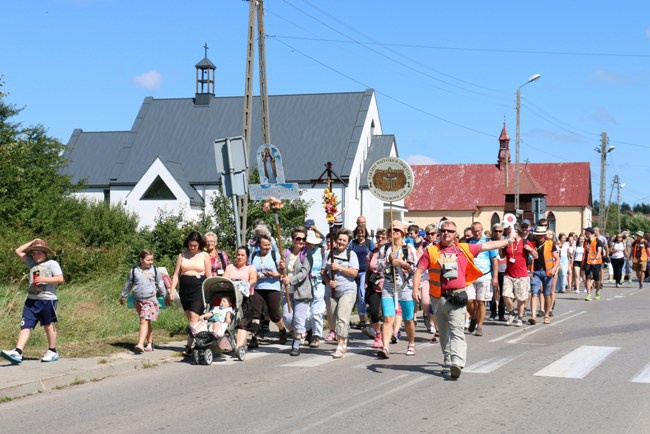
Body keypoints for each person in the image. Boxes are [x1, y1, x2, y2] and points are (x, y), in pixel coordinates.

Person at [412, 220, 511, 380]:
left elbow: (488, 246)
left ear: (455, 234)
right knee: (444, 333)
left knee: (457, 330)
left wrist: (508, 240)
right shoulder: (431, 251)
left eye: (450, 231)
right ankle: (447, 360)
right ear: (439, 233)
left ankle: (456, 363)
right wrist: (415, 288)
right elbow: (419, 270)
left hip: (457, 295)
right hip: (438, 298)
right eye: (443, 230)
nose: (446, 233)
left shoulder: (463, 249)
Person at [2, 239, 64, 364]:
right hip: (31, 300)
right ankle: (18, 352)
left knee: (48, 325)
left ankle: (52, 351)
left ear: (45, 253)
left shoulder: (52, 263)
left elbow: (60, 278)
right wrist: (33, 241)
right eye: (34, 253)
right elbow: (18, 251)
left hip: (47, 300)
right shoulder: (31, 263)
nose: (36, 255)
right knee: (25, 325)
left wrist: (44, 279)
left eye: (39, 252)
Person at [376, 220, 418, 359]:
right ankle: (385, 346)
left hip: (405, 286)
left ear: (402, 233)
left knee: (408, 319)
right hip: (388, 285)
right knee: (388, 317)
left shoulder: (409, 248)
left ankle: (411, 343)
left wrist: (401, 263)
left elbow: (416, 269)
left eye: (396, 230)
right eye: (391, 230)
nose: (393, 232)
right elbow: (378, 267)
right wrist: (389, 259)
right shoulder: (384, 248)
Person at [169, 231, 212, 357]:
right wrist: (172, 289)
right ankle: (199, 340)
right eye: (190, 245)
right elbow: (176, 274)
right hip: (185, 288)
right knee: (190, 318)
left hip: (199, 286)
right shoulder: (182, 255)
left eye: (195, 245)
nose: (192, 248)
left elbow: (209, 274)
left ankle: (188, 346)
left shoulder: (204, 255)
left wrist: (211, 289)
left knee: (194, 316)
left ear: (199, 245)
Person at [120, 249, 167, 353]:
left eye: (152, 260)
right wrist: (123, 296)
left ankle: (140, 344)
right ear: (141, 259)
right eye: (148, 260)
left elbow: (160, 284)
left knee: (143, 321)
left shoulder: (154, 270)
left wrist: (165, 296)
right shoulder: (134, 271)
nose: (151, 262)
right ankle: (150, 343)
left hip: (150, 300)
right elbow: (129, 284)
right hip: (138, 301)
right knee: (146, 322)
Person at [322, 230, 359, 359]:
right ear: (335, 241)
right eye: (339, 240)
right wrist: (328, 282)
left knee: (342, 317)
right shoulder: (328, 254)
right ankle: (343, 336)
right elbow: (323, 272)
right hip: (331, 291)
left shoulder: (351, 254)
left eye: (344, 240)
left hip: (347, 290)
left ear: (348, 243)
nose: (341, 242)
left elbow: (354, 273)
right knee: (332, 320)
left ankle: (340, 344)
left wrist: (340, 268)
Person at [250, 234, 289, 348]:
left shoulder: (274, 255)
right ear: (259, 245)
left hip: (272, 287)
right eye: (265, 245)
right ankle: (254, 336)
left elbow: (282, 273)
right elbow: (250, 269)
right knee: (256, 313)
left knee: (274, 314)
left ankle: (282, 330)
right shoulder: (254, 255)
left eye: (269, 245)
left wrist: (275, 274)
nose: (267, 247)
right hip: (257, 287)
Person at [281, 227, 314, 356]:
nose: (301, 241)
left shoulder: (307, 255)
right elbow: (281, 270)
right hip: (288, 291)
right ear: (293, 240)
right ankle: (303, 331)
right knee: (287, 318)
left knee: (298, 318)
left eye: (303, 239)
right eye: (298, 239)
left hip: (302, 291)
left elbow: (304, 273)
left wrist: (291, 279)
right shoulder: (286, 252)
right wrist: (280, 267)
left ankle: (296, 344)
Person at [501, 224, 538, 327]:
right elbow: (501, 256)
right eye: (507, 232)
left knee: (521, 298)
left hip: (521, 275)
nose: (508, 233)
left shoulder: (525, 242)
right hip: (509, 274)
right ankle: (512, 313)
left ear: (516, 232)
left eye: (509, 231)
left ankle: (520, 318)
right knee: (505, 295)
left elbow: (536, 256)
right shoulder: (507, 242)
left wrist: (529, 249)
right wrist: (501, 247)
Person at [466, 222, 498, 336]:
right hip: (471, 277)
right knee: (468, 300)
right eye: (474, 231)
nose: (477, 233)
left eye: (479, 230)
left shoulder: (488, 242)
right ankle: (473, 317)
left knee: (481, 302)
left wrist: (495, 277)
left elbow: (494, 261)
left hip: (485, 276)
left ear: (482, 229)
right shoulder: (468, 242)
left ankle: (479, 326)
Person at [224, 246, 257, 354]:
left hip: (246, 298)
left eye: (242, 255)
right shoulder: (230, 267)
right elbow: (224, 279)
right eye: (238, 254)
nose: (239, 257)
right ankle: (240, 344)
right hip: (232, 297)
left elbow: (253, 280)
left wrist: (244, 284)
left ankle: (238, 347)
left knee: (243, 323)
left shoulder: (250, 268)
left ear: (247, 257)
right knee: (232, 322)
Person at [363, 228, 388, 348]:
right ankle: (378, 333)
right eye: (378, 237)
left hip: (388, 285)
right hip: (375, 284)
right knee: (373, 312)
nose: (380, 239)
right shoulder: (372, 253)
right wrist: (366, 282)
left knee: (387, 313)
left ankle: (387, 335)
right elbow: (368, 269)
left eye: (383, 237)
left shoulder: (391, 252)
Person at [530, 228, 559, 324]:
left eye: (541, 235)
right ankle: (533, 316)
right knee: (534, 293)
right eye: (538, 235)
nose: (539, 237)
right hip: (535, 272)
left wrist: (554, 269)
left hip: (547, 272)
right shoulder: (532, 244)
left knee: (547, 294)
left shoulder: (550, 244)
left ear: (544, 235)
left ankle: (546, 315)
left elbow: (557, 259)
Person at [304, 229, 326, 348]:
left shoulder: (322, 252)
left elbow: (324, 267)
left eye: (311, 242)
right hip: (306, 283)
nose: (310, 245)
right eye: (308, 242)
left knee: (316, 311)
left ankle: (317, 335)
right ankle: (309, 331)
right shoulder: (303, 252)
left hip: (318, 283)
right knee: (306, 311)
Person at [349, 225, 373, 328]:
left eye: (362, 232)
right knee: (355, 296)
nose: (360, 234)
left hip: (364, 272)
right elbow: (348, 254)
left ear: (365, 233)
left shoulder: (369, 243)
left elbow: (373, 255)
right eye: (359, 232)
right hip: (354, 271)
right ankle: (361, 319)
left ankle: (363, 319)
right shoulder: (353, 244)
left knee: (361, 295)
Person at [489, 223, 507, 322]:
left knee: (503, 292)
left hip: (503, 269)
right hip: (491, 270)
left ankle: (501, 313)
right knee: (493, 292)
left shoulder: (505, 241)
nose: (498, 233)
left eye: (500, 231)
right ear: (492, 231)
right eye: (496, 231)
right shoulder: (489, 242)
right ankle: (492, 312)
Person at [582, 227, 604, 300]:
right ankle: (588, 294)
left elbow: (599, 251)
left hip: (596, 263)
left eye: (586, 232)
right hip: (588, 262)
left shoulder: (598, 241)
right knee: (588, 278)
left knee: (596, 279)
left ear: (589, 233)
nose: (585, 234)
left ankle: (597, 291)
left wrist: (595, 259)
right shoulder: (586, 241)